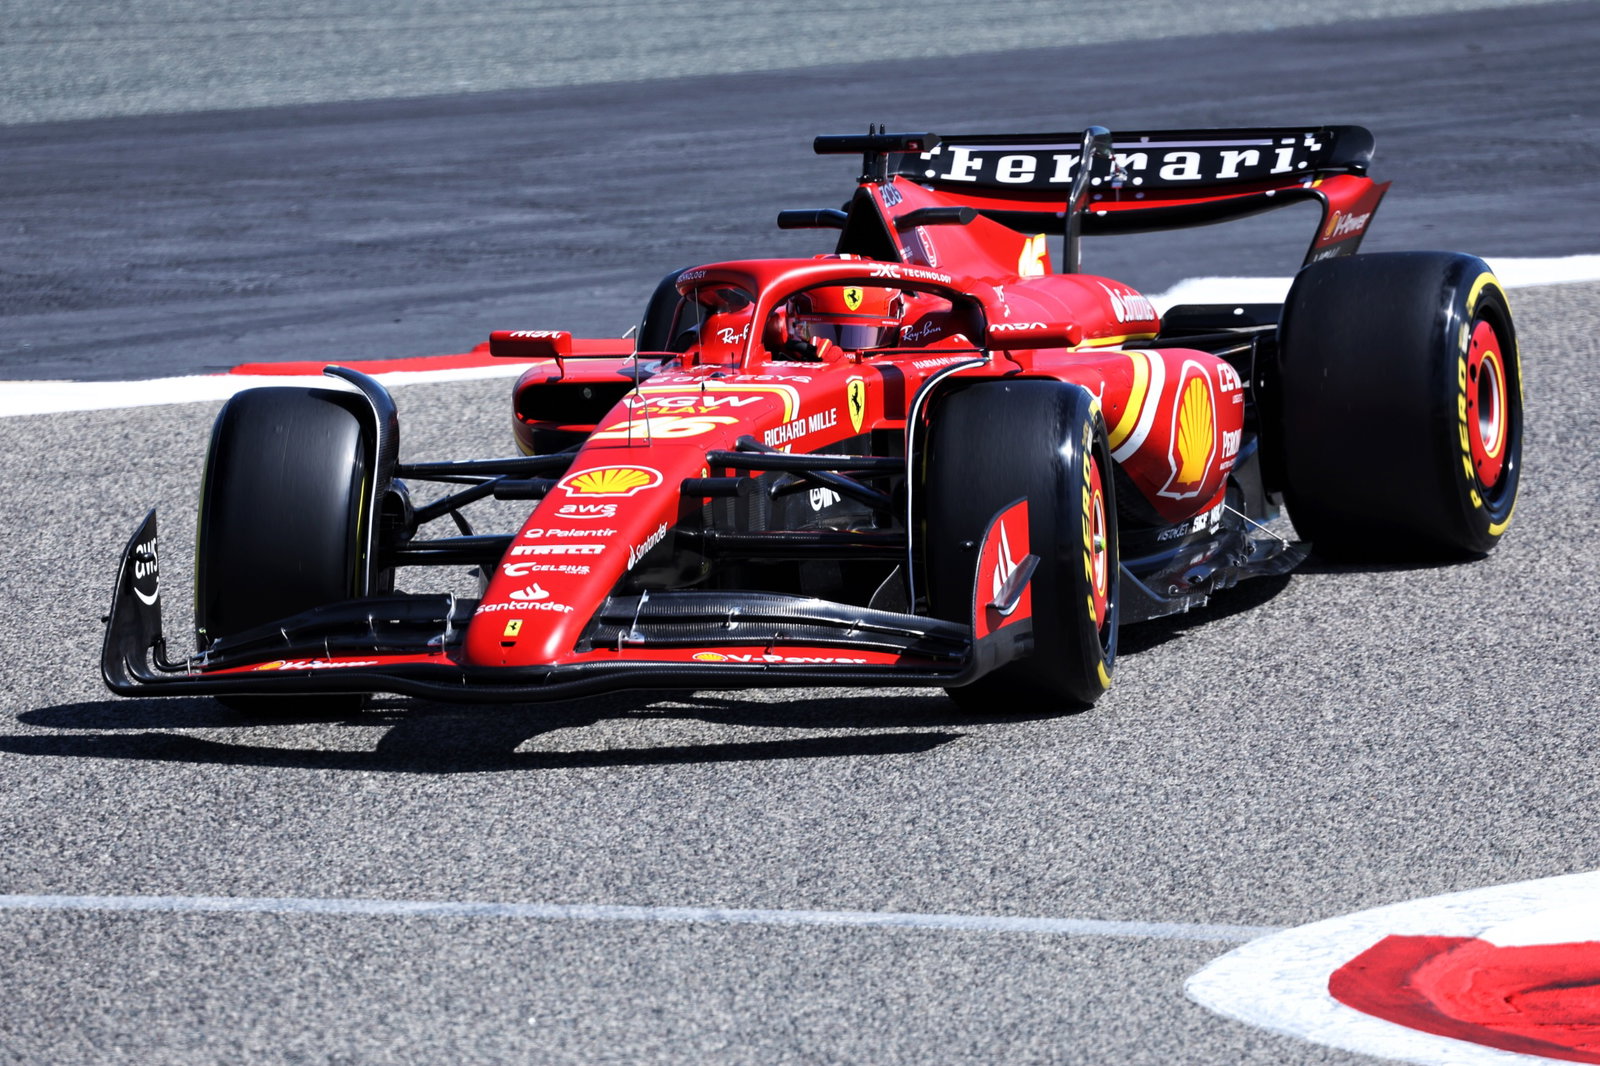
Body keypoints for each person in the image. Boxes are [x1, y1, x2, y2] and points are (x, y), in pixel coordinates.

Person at [767, 285, 903, 360]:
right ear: (792, 322)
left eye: (866, 336)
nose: (845, 352)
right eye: (825, 333)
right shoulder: (773, 326)